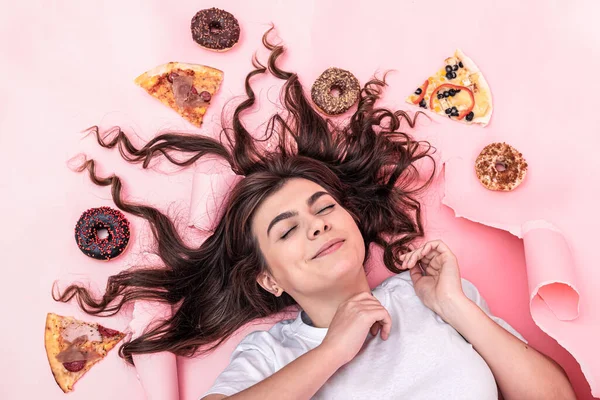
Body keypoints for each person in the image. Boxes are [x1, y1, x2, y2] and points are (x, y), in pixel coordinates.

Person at [55, 29, 576, 399]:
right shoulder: (270, 355)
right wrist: (331, 351)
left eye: (324, 207)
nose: (318, 224)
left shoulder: (433, 300)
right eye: (287, 230)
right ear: (269, 278)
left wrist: (457, 307)